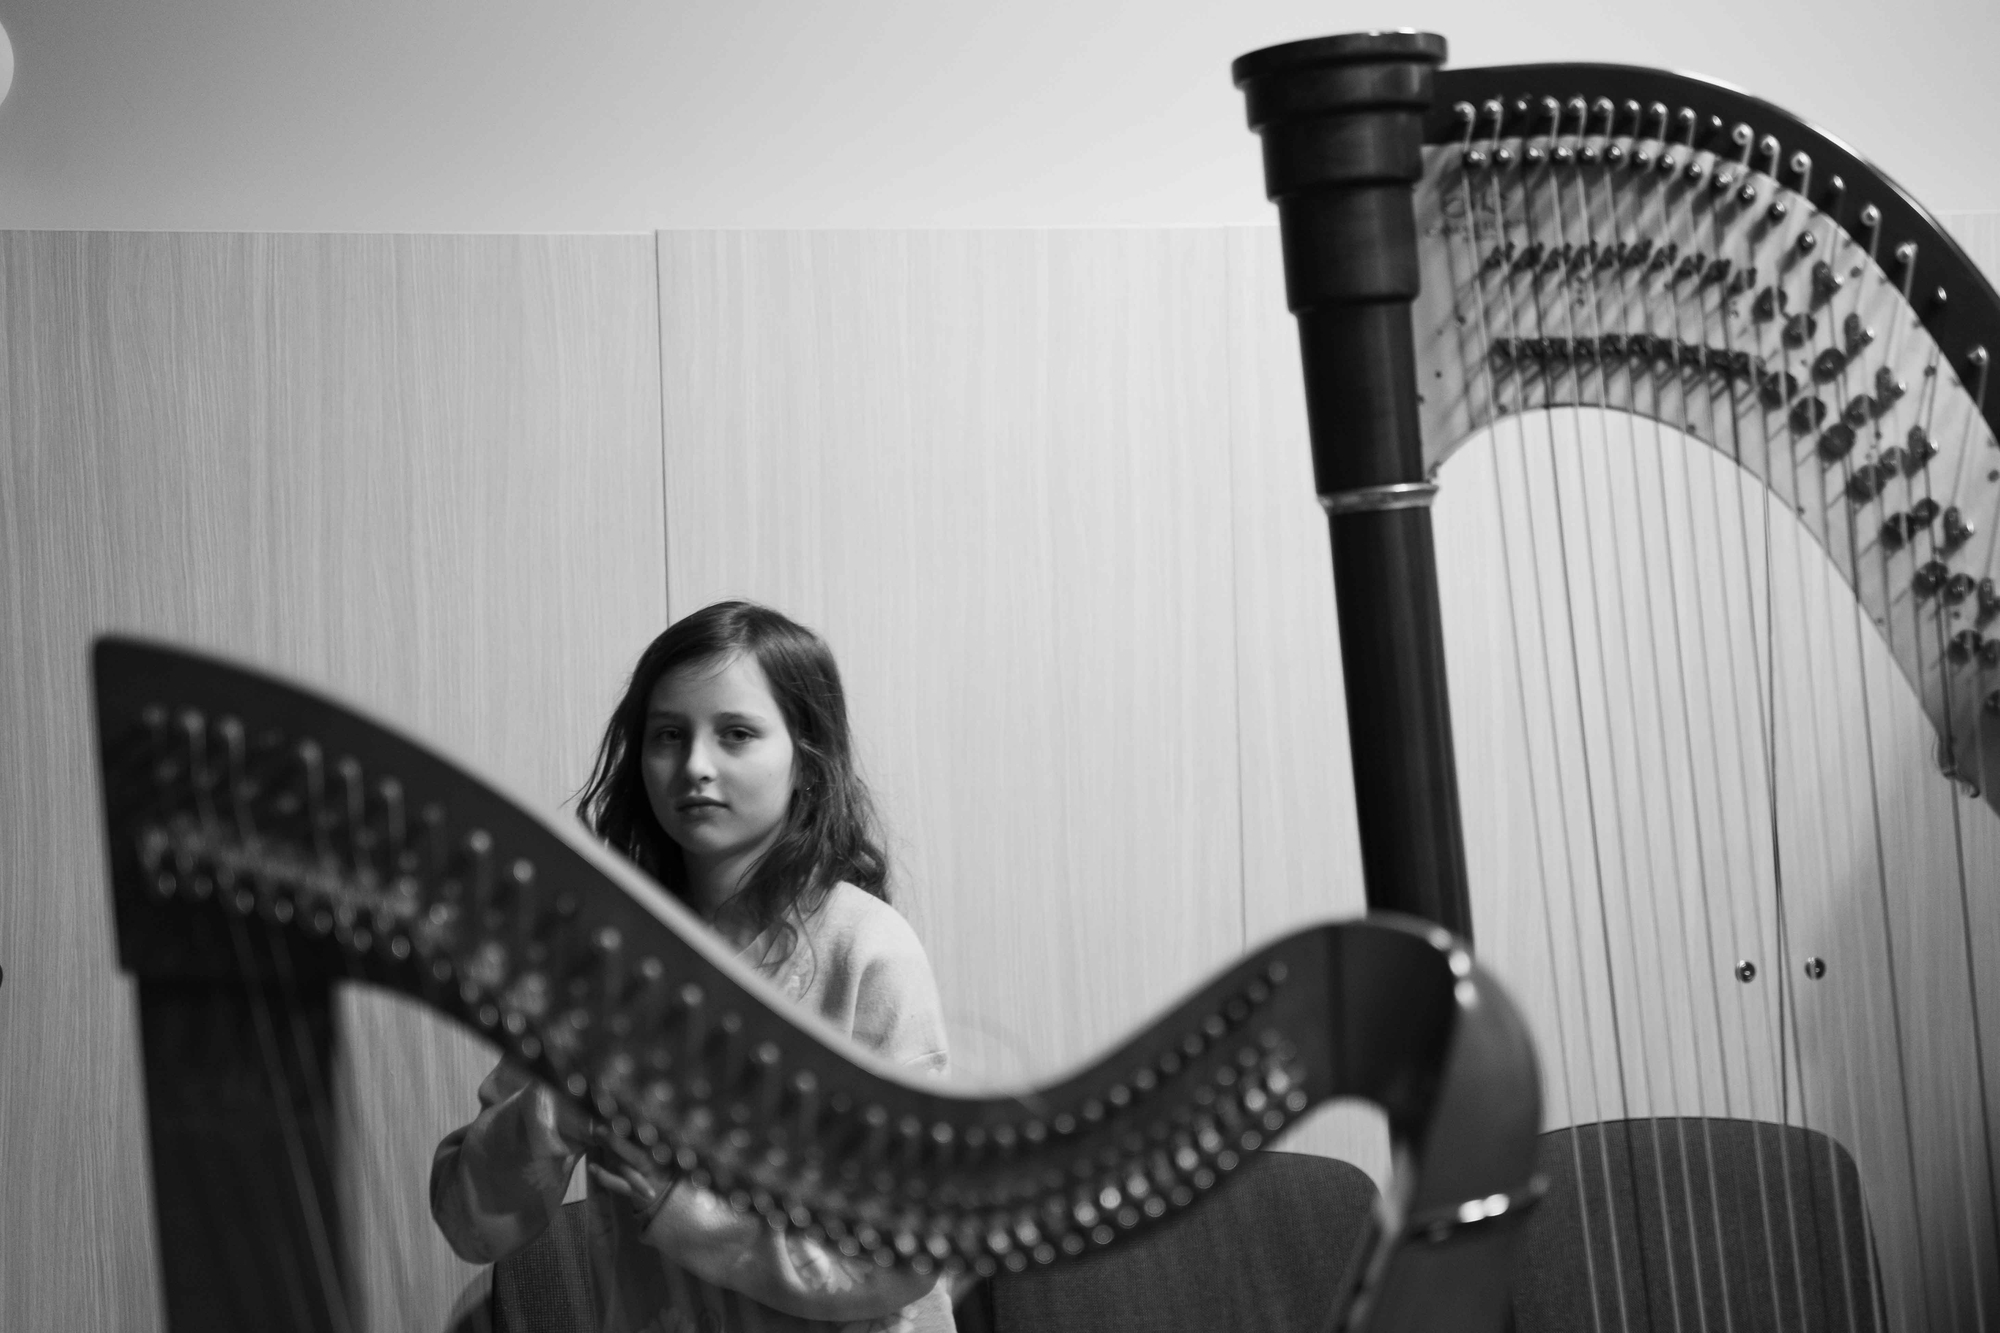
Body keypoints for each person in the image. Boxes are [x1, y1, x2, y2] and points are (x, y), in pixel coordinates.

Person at [431, 601, 955, 1333]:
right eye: (669, 735)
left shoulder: (870, 950)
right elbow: (470, 1223)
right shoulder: (595, 958)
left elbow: (907, 1254)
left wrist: (686, 1207)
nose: (695, 767)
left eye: (736, 734)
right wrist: (563, 1102)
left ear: (807, 762)